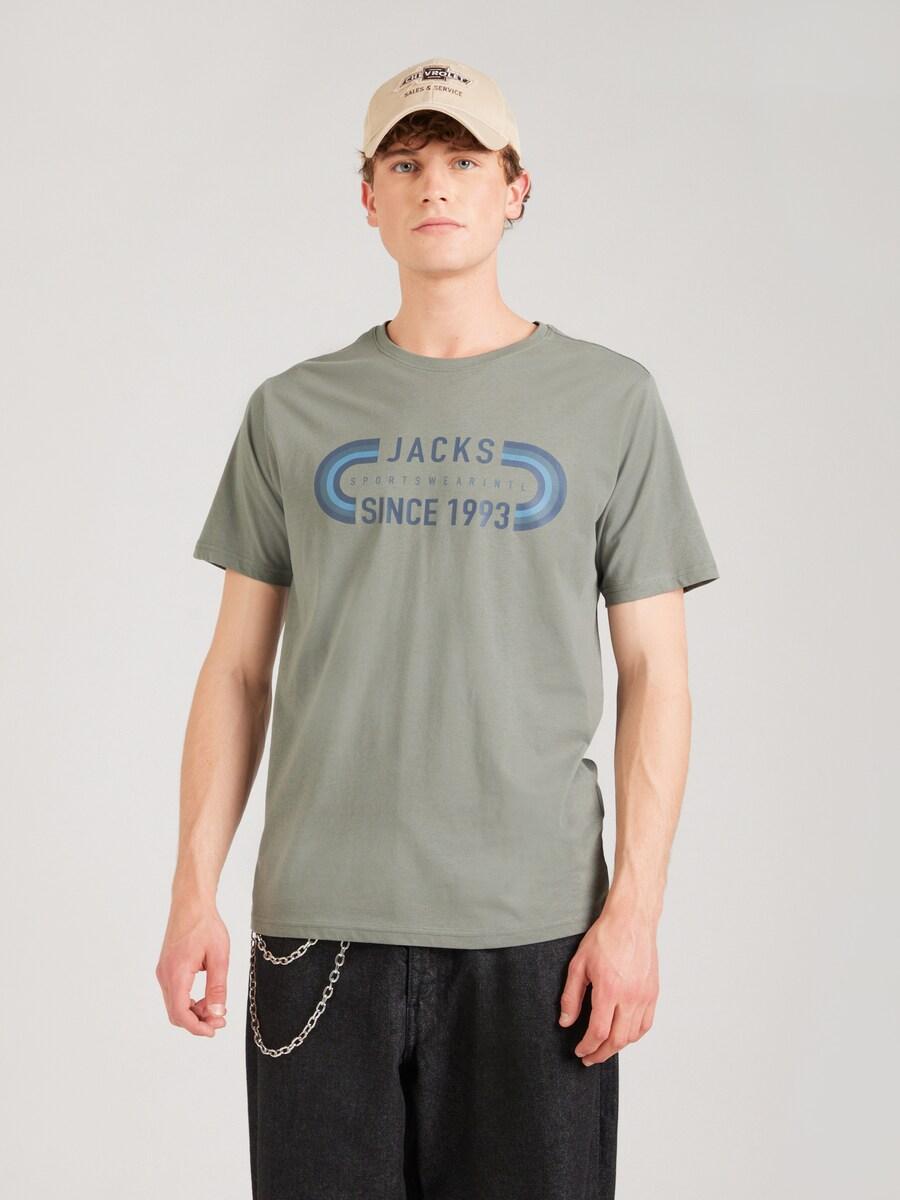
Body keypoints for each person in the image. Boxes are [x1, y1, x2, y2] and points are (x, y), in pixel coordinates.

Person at [156, 55, 720, 1199]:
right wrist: (190, 890)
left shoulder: (611, 402)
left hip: (537, 933)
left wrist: (635, 914)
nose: (437, 186)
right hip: (320, 928)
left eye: (465, 160)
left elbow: (657, 673)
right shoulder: (293, 410)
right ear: (368, 197)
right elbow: (237, 672)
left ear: (517, 188)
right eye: (406, 163)